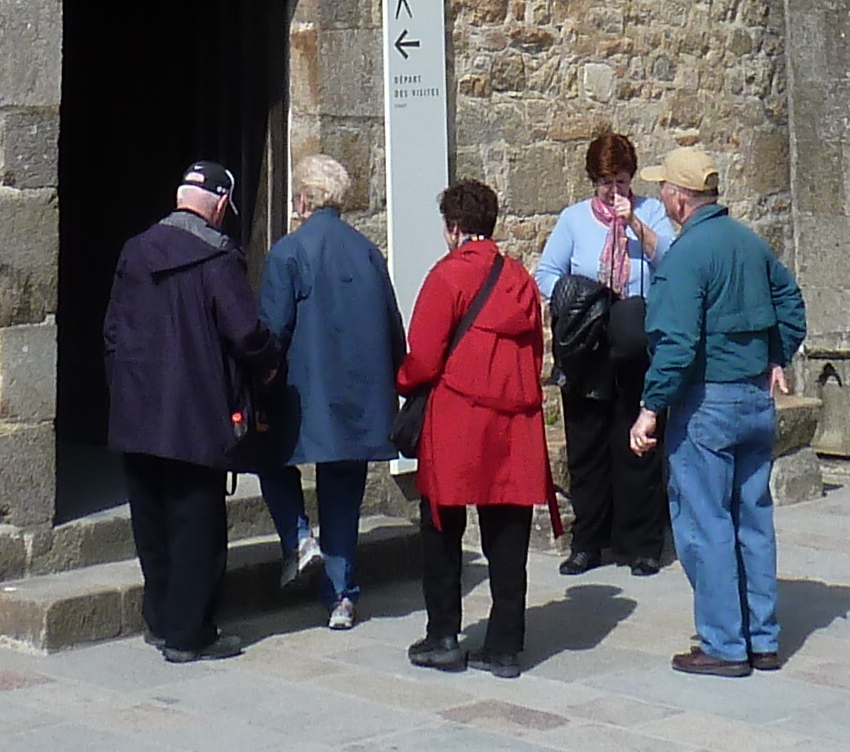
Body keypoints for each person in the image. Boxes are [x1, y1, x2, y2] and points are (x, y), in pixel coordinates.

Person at [629, 142, 806, 677]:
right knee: (753, 520)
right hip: (754, 397)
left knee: (705, 523)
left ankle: (725, 644)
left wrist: (649, 408)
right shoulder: (749, 244)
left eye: (663, 189)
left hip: (706, 404)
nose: (659, 197)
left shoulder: (685, 257)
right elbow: (791, 304)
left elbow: (675, 344)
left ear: (680, 199)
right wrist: (776, 355)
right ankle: (762, 638)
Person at [102, 158, 275, 662]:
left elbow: (112, 333)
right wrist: (271, 361)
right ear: (221, 205)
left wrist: (124, 392)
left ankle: (160, 620)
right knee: (197, 528)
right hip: (195, 416)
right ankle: (188, 632)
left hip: (137, 416)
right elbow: (245, 333)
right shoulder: (217, 258)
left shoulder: (134, 252)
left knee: (151, 525)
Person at [399, 177, 550, 679]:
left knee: (442, 526)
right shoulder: (520, 279)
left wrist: (401, 381)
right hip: (514, 420)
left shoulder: (447, 277)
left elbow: (422, 358)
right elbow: (534, 351)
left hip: (458, 416)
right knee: (508, 531)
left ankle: (444, 633)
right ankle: (506, 644)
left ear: (456, 227)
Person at [252, 155, 401, 630]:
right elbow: (393, 329)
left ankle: (298, 538)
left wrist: (254, 386)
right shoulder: (367, 251)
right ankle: (340, 597)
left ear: (302, 199)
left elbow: (272, 333)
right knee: (342, 494)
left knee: (267, 456)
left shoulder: (288, 252)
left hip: (302, 391)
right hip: (357, 394)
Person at [537, 128, 674, 578]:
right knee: (588, 443)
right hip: (589, 343)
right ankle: (588, 540)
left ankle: (641, 542)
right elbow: (547, 273)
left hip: (636, 339)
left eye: (620, 180)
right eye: (605, 182)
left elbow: (670, 261)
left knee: (638, 442)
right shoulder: (574, 219)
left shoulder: (650, 212)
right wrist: (582, 299)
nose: (613, 190)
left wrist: (634, 223)